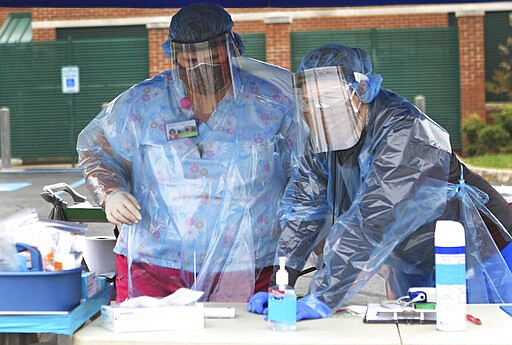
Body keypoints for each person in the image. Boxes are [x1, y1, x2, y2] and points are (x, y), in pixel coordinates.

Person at [248, 44, 512, 320]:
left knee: (486, 330)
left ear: (360, 91)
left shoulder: (404, 133)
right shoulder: (320, 140)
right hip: (413, 262)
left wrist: (323, 297)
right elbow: (303, 213)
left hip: (481, 252)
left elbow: (370, 220)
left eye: (328, 99)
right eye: (308, 102)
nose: (318, 111)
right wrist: (282, 283)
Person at [76, 2, 297, 303]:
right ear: (175, 56)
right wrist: (110, 191)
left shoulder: (272, 103)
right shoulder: (145, 102)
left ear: (232, 49)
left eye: (211, 60)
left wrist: (313, 234)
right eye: (191, 61)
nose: (201, 70)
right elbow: (95, 148)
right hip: (155, 264)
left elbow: (307, 175)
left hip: (248, 265)